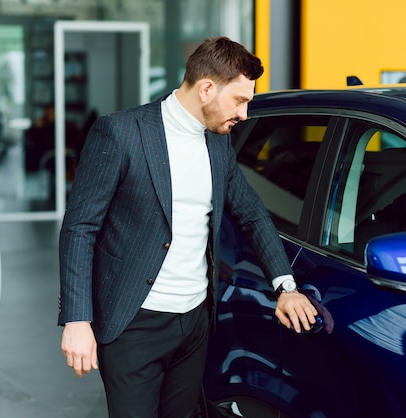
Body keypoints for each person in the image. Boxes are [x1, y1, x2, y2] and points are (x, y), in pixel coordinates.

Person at [58, 36, 319, 418]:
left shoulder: (217, 144)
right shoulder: (121, 133)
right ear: (207, 88)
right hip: (133, 324)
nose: (244, 114)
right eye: (240, 100)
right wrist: (77, 320)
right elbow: (80, 228)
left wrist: (286, 286)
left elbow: (252, 214)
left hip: (194, 322)